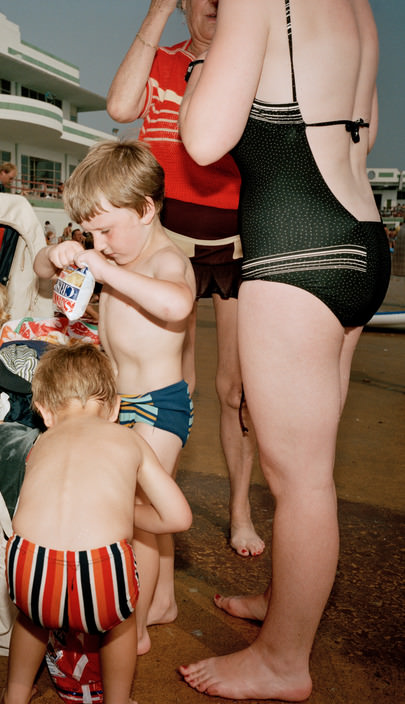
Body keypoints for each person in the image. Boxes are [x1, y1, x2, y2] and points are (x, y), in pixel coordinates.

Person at [178, 1, 389, 700]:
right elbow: (365, 131)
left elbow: (205, 139)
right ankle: (286, 603)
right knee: (309, 468)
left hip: (295, 250)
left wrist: (204, 51)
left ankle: (282, 661)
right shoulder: (354, 7)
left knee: (299, 482)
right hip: (359, 241)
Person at [107, 0, 263, 560]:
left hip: (239, 241)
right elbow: (121, 105)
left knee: (234, 390)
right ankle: (157, 506)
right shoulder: (165, 58)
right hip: (171, 241)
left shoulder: (249, 62)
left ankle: (241, 511)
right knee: (178, 383)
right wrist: (156, 12)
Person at [35, 140, 196, 656]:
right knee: (147, 507)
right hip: (121, 404)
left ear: (147, 209)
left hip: (158, 406)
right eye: (89, 233)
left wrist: (105, 271)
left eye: (106, 230)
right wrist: (56, 253)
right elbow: (41, 270)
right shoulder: (114, 253)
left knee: (135, 514)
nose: (98, 244)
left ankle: (138, 626)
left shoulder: (166, 260)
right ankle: (163, 599)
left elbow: (176, 304)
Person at [2, 342, 192, 704]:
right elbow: (178, 517)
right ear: (115, 408)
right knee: (119, 624)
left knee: (30, 619)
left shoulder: (40, 443)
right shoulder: (128, 440)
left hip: (30, 568)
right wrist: (126, 511)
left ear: (44, 411)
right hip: (101, 573)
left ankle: (15, 694)